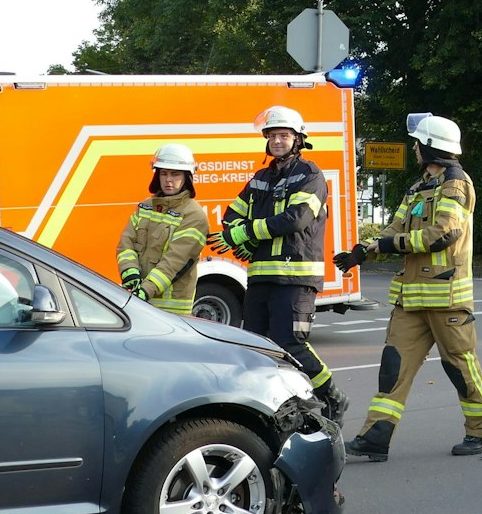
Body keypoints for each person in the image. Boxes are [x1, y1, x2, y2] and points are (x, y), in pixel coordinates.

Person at [334, 112, 482, 459]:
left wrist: (390, 245)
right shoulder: (420, 185)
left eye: (418, 143)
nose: (414, 148)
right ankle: (376, 437)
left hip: (447, 301)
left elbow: (442, 234)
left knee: (460, 368)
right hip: (411, 298)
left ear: (431, 146)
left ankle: (481, 432)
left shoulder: (456, 184)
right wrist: (366, 250)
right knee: (393, 369)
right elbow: (395, 228)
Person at [212, 105, 350, 422]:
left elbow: (296, 219)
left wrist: (247, 233)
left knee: (290, 343)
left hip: (295, 277)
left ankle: (331, 396)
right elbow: (232, 216)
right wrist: (243, 238)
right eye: (272, 135)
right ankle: (276, 406)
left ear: (298, 139)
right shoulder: (260, 179)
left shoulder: (311, 176)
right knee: (256, 348)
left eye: (284, 135)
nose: (277, 140)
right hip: (261, 277)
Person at [115, 144, 209, 316]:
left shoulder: (194, 215)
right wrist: (129, 273)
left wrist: (145, 290)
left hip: (171, 309)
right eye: (163, 173)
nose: (168, 180)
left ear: (187, 177)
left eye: (175, 174)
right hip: (139, 301)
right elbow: (125, 244)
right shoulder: (145, 206)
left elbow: (174, 261)